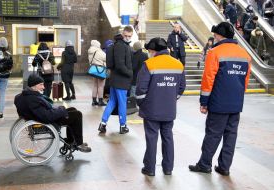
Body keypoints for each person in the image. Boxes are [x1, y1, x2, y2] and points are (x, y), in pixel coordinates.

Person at [189, 22, 251, 176]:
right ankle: (224, 167)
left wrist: (204, 102)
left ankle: (204, 164)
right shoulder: (245, 55)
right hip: (236, 103)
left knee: (213, 133)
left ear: (218, 35)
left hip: (218, 103)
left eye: (215, 34)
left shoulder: (214, 52)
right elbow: (246, 81)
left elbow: (208, 78)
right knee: (231, 135)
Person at [136, 37, 186, 176]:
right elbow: (182, 87)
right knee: (168, 137)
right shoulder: (178, 64)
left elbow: (140, 89)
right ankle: (168, 168)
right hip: (169, 109)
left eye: (150, 50)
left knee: (152, 138)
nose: (149, 53)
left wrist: (142, 103)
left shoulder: (149, 64)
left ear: (154, 51)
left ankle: (150, 169)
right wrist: (172, 99)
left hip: (152, 109)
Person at [14, 74, 91, 152]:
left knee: (72, 110)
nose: (43, 87)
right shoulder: (33, 99)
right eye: (41, 84)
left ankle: (71, 141)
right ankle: (79, 144)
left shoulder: (24, 96)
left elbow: (42, 112)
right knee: (77, 114)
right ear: (33, 86)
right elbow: (47, 116)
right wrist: (61, 110)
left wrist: (59, 110)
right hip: (48, 122)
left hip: (39, 118)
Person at [98, 26, 133, 134]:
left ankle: (102, 124)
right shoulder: (121, 46)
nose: (127, 38)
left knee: (112, 102)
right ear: (122, 34)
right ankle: (123, 126)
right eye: (126, 36)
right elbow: (120, 65)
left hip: (114, 79)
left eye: (129, 36)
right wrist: (130, 73)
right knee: (122, 103)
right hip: (121, 80)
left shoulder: (114, 45)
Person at [88, 40, 107, 106]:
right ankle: (100, 101)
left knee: (95, 85)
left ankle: (94, 101)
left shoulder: (90, 51)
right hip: (100, 70)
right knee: (101, 86)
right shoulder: (99, 51)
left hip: (94, 69)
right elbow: (106, 58)